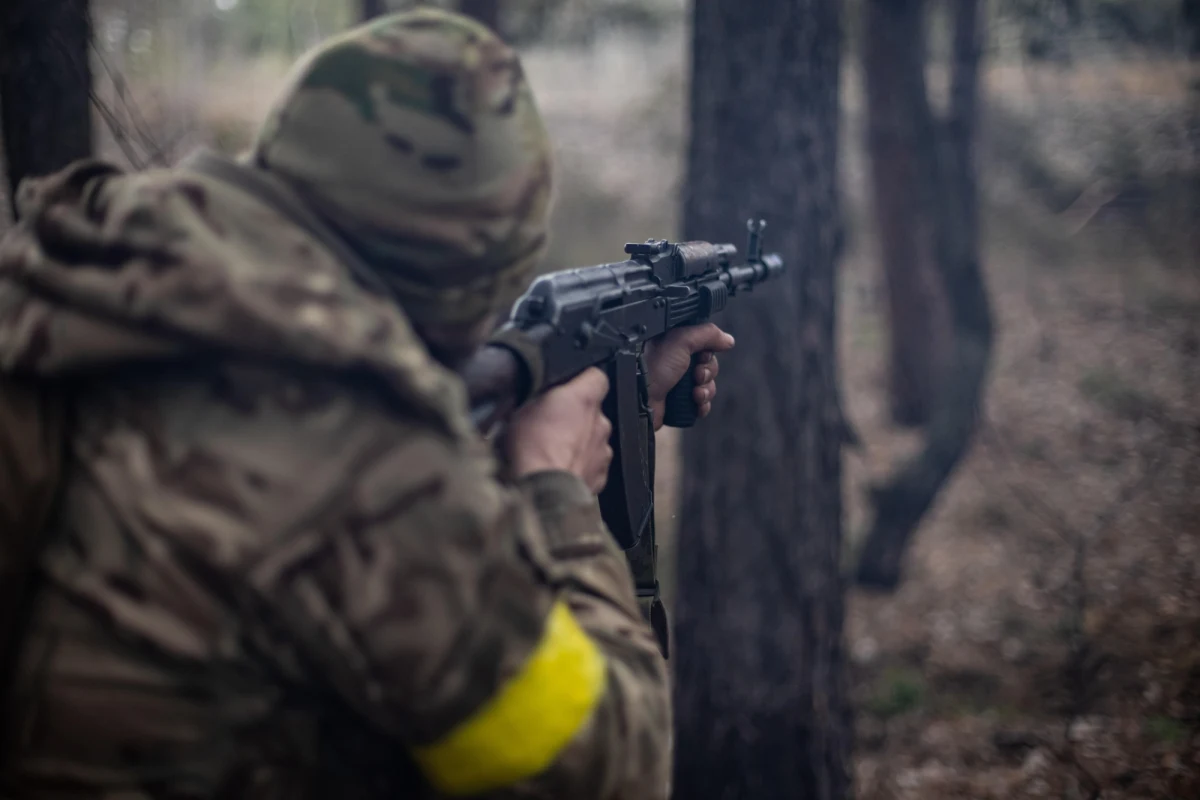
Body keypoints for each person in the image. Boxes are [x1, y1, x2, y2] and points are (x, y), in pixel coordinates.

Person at [0, 8, 734, 799]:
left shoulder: (70, 280)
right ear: (460, 291)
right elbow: (608, 772)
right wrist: (555, 491)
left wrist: (625, 401)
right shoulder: (372, 470)